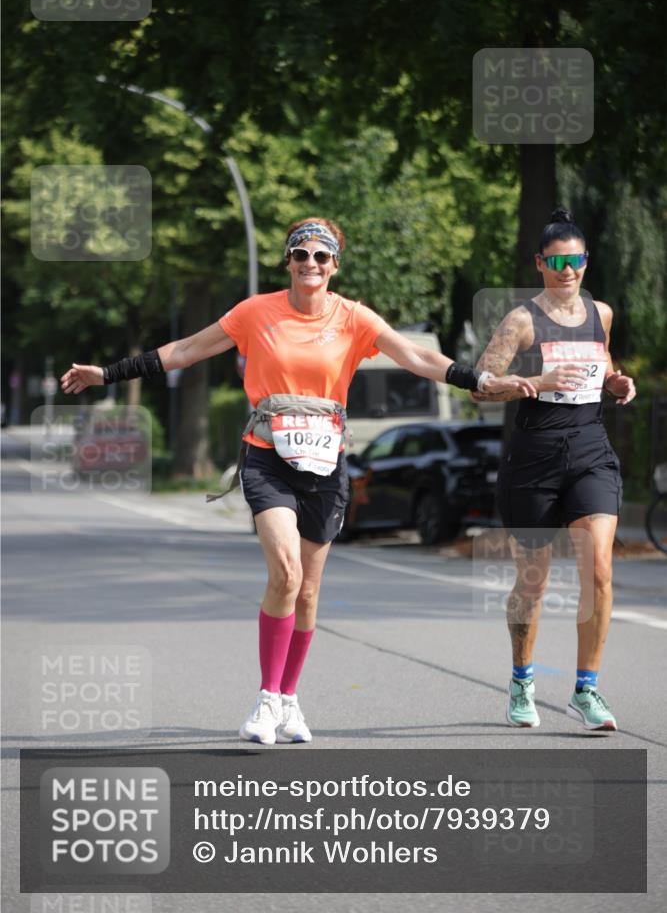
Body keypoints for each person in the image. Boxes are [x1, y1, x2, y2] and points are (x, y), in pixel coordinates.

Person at [61, 216, 536, 745]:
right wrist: (108, 373)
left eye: (322, 256)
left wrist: (481, 378)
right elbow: (186, 350)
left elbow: (419, 357)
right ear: (288, 261)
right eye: (301, 254)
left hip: (327, 464)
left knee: (308, 591)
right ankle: (266, 700)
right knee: (285, 572)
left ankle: (289, 698)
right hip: (267, 457)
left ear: (335, 265)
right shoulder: (255, 312)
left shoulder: (354, 318)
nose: (311, 263)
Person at [472, 208, 636, 733]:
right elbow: (479, 382)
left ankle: (587, 690)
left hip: (590, 450)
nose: (569, 270)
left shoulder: (601, 313)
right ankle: (522, 681)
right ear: (541, 263)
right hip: (535, 458)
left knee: (600, 570)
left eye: (578, 260)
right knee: (534, 581)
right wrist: (537, 382)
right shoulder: (522, 321)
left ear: (587, 262)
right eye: (558, 260)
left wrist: (616, 384)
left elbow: (602, 363)